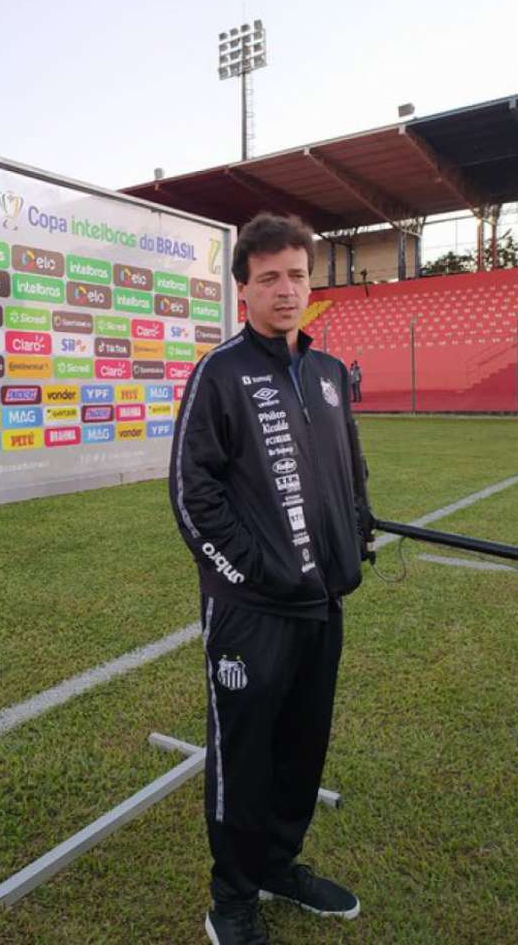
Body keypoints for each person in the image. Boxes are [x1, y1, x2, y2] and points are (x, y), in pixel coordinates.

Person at [169, 213, 370, 945]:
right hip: (250, 613)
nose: (287, 290)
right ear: (243, 289)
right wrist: (251, 574)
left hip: (322, 605)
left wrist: (355, 537)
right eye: (270, 278)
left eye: (297, 275)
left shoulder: (325, 373)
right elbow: (195, 497)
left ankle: (281, 865)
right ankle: (232, 899)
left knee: (302, 746)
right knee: (245, 754)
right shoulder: (220, 374)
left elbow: (351, 471)